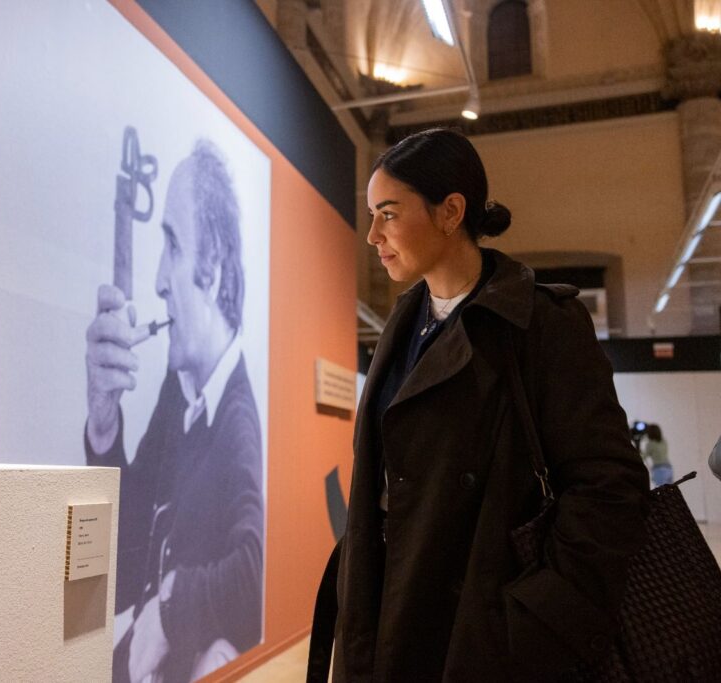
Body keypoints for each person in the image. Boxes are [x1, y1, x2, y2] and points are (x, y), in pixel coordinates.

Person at [310, 128, 649, 682]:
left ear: (450, 211)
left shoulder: (539, 323)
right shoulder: (402, 325)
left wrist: (537, 616)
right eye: (372, 214)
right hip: (390, 616)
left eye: (389, 213)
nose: (372, 234)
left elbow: (610, 486)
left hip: (485, 635)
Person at [84, 140, 263, 683]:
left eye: (173, 245)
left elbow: (254, 573)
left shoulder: (235, 418)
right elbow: (123, 556)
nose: (160, 280)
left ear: (210, 266)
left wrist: (167, 612)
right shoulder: (181, 390)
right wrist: (103, 419)